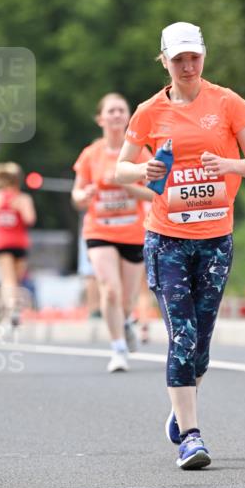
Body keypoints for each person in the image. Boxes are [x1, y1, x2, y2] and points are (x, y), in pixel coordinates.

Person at [115, 21, 245, 468]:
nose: (187, 66)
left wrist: (227, 165)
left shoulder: (227, 102)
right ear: (164, 61)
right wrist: (143, 171)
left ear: (204, 56)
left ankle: (181, 411)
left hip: (215, 239)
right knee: (181, 335)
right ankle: (192, 437)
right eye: (178, 59)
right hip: (167, 239)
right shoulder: (148, 112)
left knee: (200, 343)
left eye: (193, 58)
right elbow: (121, 169)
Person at [72, 94, 150, 373]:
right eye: (111, 111)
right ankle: (118, 349)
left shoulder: (140, 153)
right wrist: (84, 194)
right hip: (99, 230)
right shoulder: (90, 154)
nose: (116, 115)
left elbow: (156, 193)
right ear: (100, 119)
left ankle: (125, 321)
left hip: (133, 232)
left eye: (121, 110)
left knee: (127, 300)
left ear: (128, 117)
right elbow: (76, 194)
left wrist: (128, 187)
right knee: (110, 289)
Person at [0, 162, 36, 328]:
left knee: (9, 281)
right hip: (18, 243)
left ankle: (4, 311)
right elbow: (30, 219)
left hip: (2, 243)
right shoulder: (23, 198)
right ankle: (11, 312)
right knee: (13, 281)